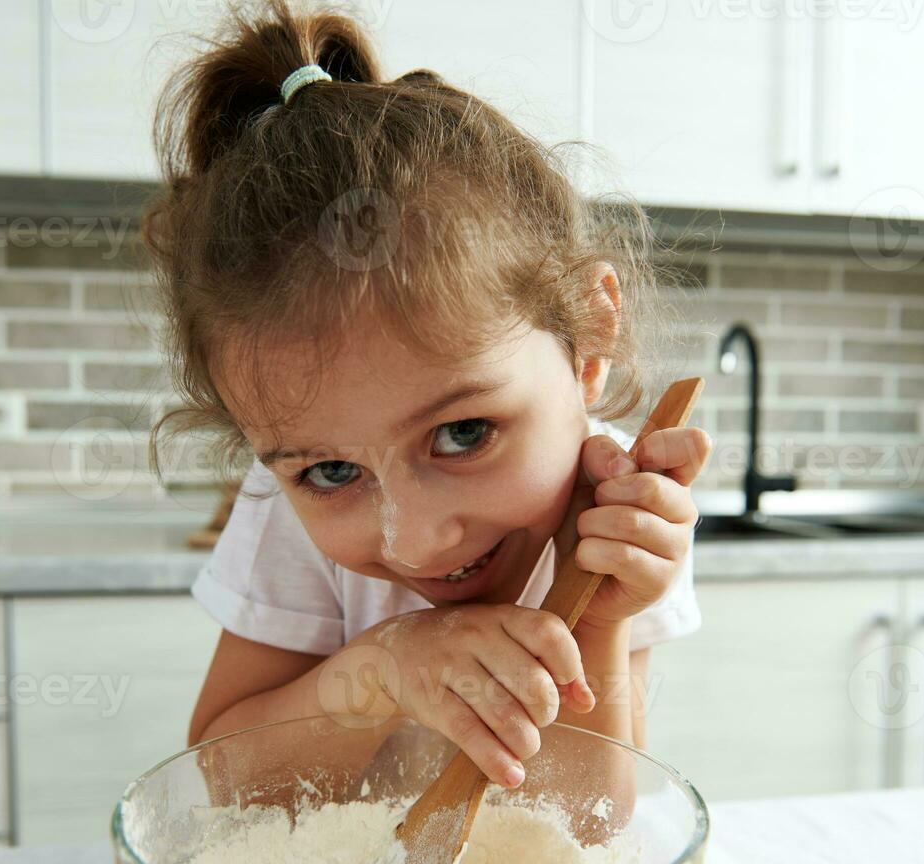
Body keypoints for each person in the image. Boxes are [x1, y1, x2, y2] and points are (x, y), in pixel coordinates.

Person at [143, 0, 712, 792]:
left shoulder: (621, 515)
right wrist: (374, 675)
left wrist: (601, 620)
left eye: (463, 432)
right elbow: (225, 779)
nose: (415, 541)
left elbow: (586, 825)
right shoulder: (282, 516)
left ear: (589, 333)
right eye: (332, 474)